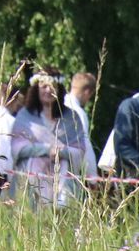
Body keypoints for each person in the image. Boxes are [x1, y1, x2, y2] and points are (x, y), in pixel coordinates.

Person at [9, 72, 88, 207]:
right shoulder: (24, 116)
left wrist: (61, 152)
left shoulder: (71, 117)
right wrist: (45, 149)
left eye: (53, 86)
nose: (48, 90)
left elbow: (79, 149)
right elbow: (17, 147)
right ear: (36, 89)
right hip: (29, 182)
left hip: (63, 179)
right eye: (44, 86)